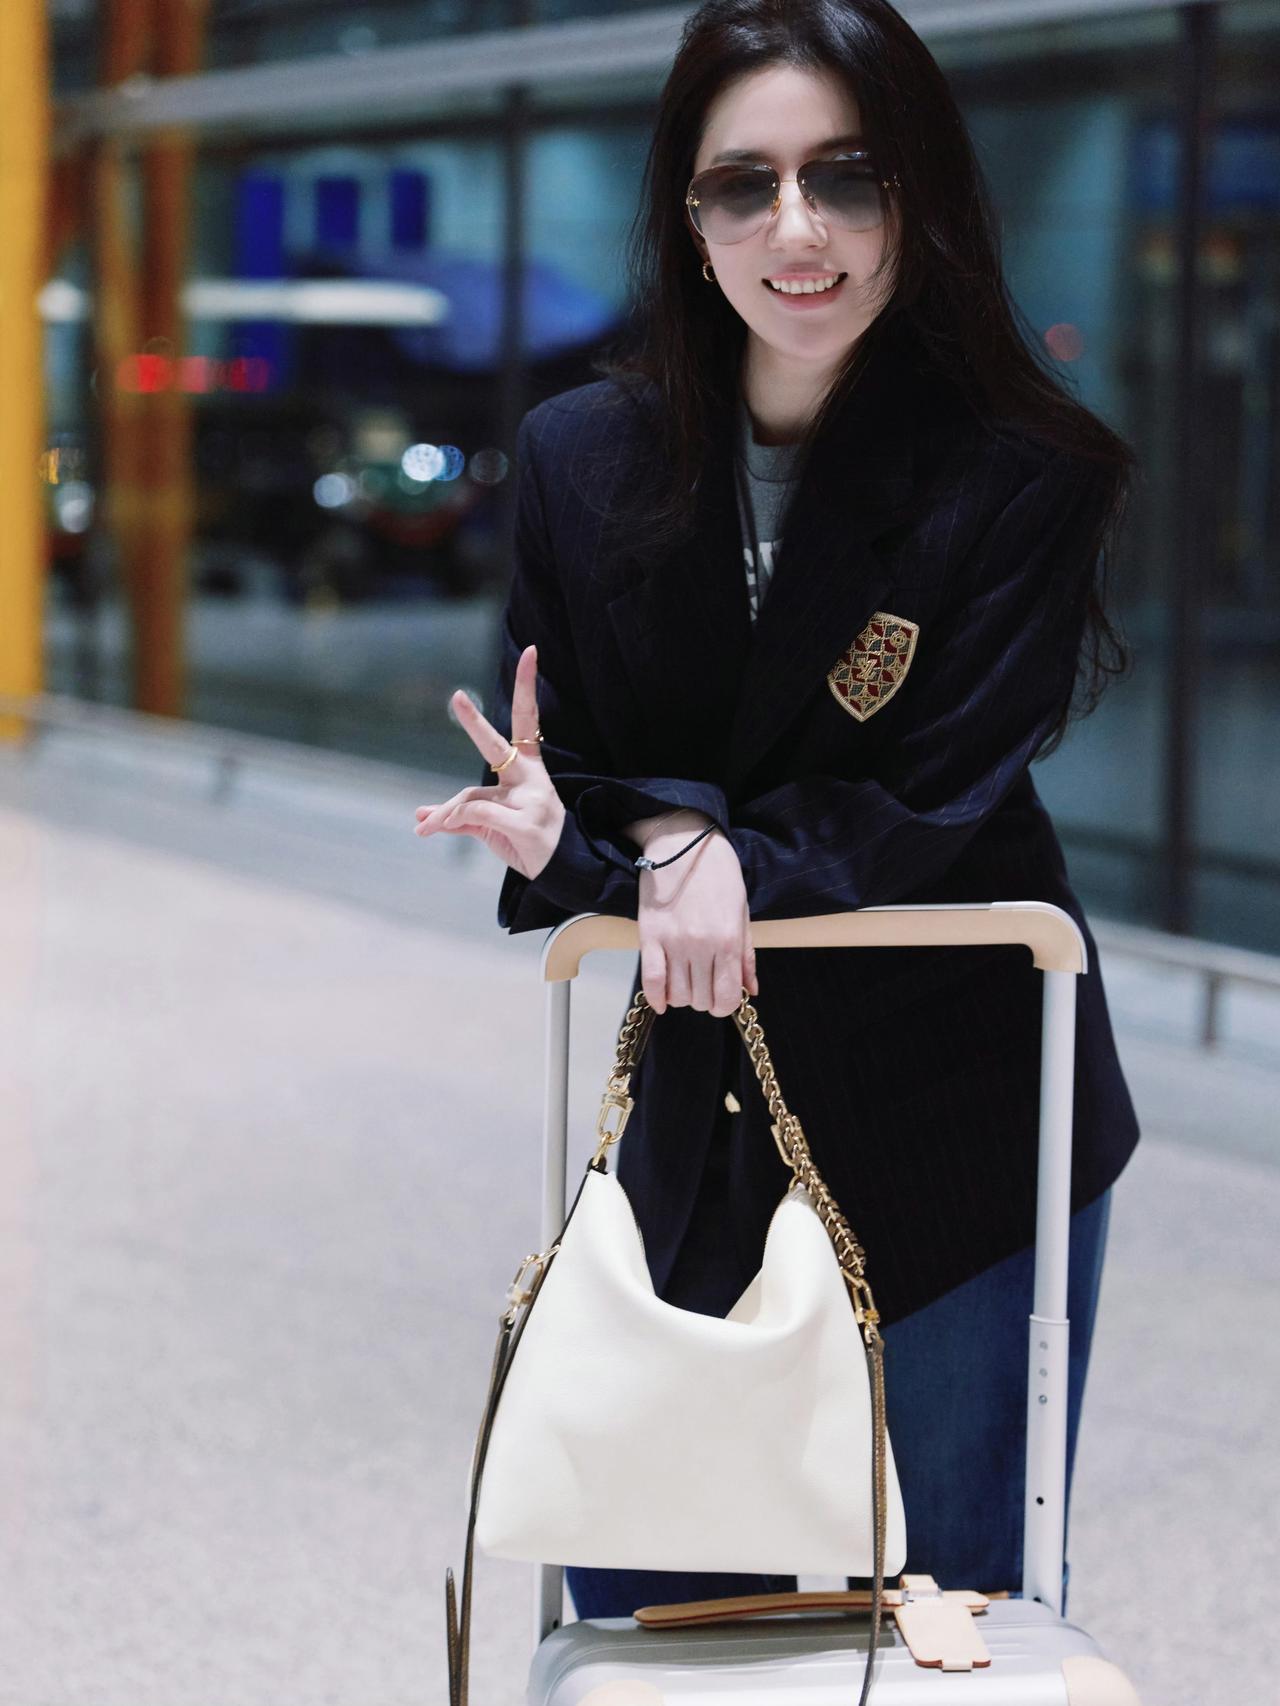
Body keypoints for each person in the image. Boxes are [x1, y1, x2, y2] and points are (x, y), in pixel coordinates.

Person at [414, 0, 1140, 1617]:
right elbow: (573, 754)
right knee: (662, 1615)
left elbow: (931, 790)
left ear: (918, 198)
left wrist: (682, 847)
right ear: (691, 217)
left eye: (847, 177)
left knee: (956, 1612)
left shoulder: (1018, 471)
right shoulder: (581, 457)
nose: (795, 231)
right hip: (710, 1100)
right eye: (744, 183)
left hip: (963, 1108)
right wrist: (631, 836)